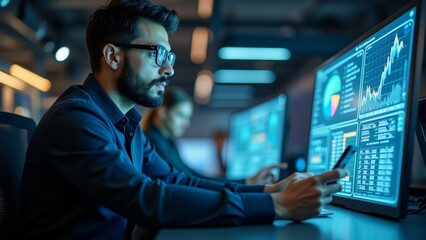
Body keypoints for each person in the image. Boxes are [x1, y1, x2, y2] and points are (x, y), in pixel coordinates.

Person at [18, 0, 348, 239]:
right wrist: (277, 207)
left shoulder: (127, 123)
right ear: (113, 56)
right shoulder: (76, 118)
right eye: (157, 54)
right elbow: (146, 199)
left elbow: (177, 181)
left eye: (170, 56)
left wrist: (267, 192)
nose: (169, 68)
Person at [141, 86, 286, 184]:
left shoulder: (167, 143)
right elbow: (188, 181)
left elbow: (193, 176)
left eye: (188, 117)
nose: (186, 123)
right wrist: (246, 183)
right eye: (181, 116)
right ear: (162, 113)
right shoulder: (153, 143)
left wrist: (246, 182)